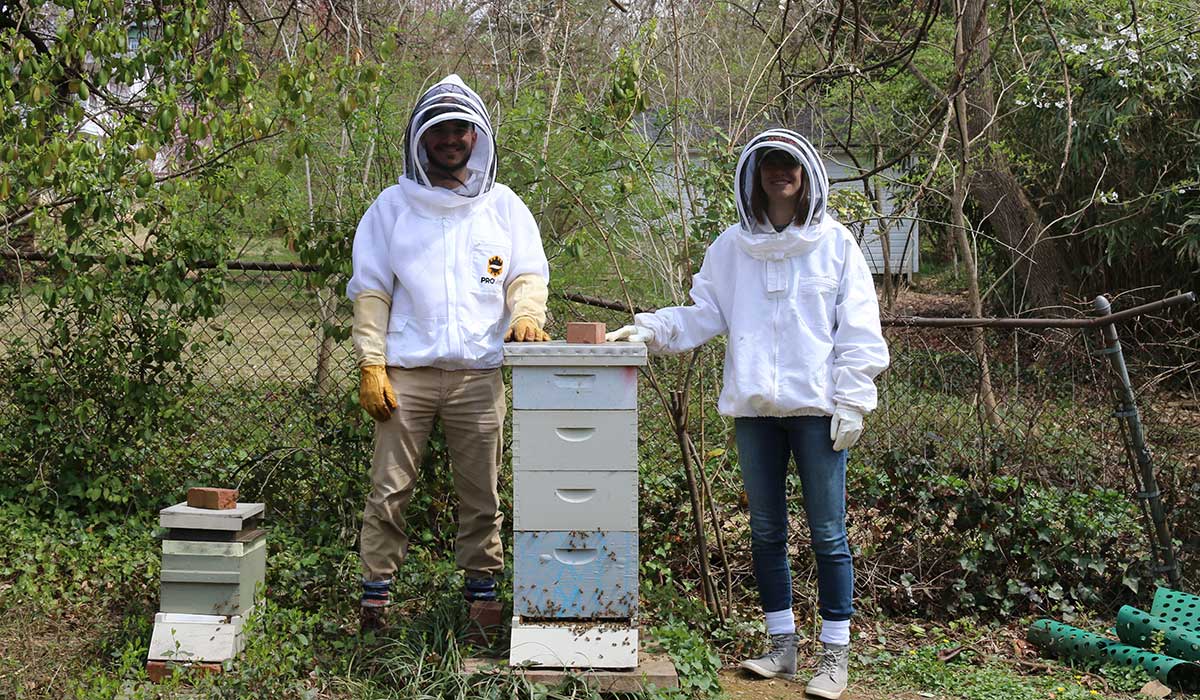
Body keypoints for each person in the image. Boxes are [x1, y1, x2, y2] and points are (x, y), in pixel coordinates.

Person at [607, 129, 888, 699]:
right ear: (755, 176)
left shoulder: (837, 245)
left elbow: (858, 327)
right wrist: (653, 328)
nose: (779, 173)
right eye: (769, 166)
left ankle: (835, 654)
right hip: (755, 410)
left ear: (806, 174)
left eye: (789, 164)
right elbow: (704, 311)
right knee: (765, 531)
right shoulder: (732, 248)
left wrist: (855, 398)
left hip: (817, 410)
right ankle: (781, 646)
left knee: (829, 534)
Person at [346, 74, 551, 634]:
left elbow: (526, 273)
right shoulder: (391, 208)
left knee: (481, 493)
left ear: (476, 136)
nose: (451, 138)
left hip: (477, 376)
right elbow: (372, 291)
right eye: (440, 129)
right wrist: (371, 362)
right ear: (421, 137)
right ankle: (375, 607)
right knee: (389, 491)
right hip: (404, 376)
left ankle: (482, 607)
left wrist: (528, 314)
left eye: (460, 128)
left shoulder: (503, 207)